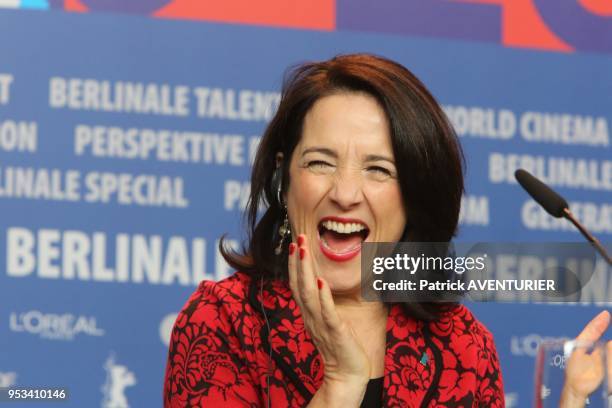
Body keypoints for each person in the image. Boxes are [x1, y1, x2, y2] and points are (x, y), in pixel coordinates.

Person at [163, 53, 504, 407]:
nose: (344, 194)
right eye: (320, 163)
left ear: (413, 195)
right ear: (284, 180)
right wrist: (340, 384)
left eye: (378, 169)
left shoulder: (464, 346)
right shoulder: (223, 321)